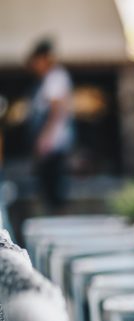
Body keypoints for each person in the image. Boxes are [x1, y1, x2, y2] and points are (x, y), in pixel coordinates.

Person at [26, 38, 73, 211]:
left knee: (53, 189)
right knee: (49, 187)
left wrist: (44, 138)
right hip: (52, 143)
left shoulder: (55, 78)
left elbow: (56, 111)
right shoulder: (49, 79)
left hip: (53, 144)